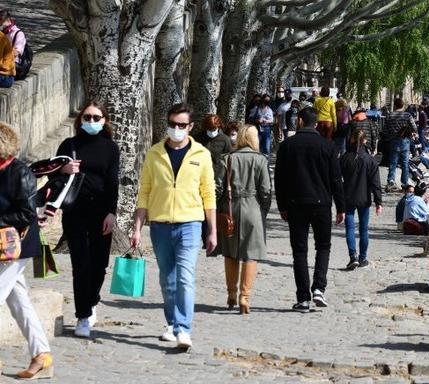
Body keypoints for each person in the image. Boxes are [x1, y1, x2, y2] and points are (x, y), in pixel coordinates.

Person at [131, 103, 217, 350]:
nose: (176, 129)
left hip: (190, 224)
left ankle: (184, 329)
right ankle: (171, 323)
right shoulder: (154, 153)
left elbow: (208, 193)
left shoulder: (201, 155)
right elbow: (144, 192)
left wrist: (211, 230)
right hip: (159, 225)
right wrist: (137, 227)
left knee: (185, 278)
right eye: (172, 124)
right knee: (167, 280)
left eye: (181, 125)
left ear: (190, 127)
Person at [56, 101, 120, 338]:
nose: (91, 122)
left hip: (101, 212)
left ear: (104, 121)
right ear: (80, 120)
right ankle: (83, 315)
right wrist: (63, 170)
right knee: (80, 264)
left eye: (96, 118)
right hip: (74, 211)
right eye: (87, 117)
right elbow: (52, 173)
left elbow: (112, 182)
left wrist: (112, 212)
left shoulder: (110, 148)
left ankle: (92, 299)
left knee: (99, 264)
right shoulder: (69, 144)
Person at [275, 107, 345, 312]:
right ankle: (319, 288)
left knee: (299, 251)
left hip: (296, 204)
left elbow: (280, 179)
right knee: (323, 246)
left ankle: (303, 297)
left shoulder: (287, 146)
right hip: (322, 203)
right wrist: (341, 206)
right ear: (316, 123)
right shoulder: (327, 146)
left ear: (299, 122)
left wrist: (282, 205)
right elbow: (336, 180)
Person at [0, 122, 54, 379]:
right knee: (19, 303)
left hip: (16, 247)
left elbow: (25, 213)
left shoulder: (20, 172)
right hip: (4, 247)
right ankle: (42, 355)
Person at [216, 125, 271, 314]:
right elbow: (265, 189)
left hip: (231, 208)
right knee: (250, 254)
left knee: (230, 253)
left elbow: (218, 187)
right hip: (253, 208)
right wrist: (263, 209)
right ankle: (244, 297)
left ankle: (231, 293)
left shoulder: (228, 158)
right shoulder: (260, 160)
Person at [339, 129, 382, 270]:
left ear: (351, 140)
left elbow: (337, 180)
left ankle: (353, 256)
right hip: (364, 198)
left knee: (350, 229)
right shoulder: (370, 160)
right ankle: (363, 257)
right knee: (364, 230)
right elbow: (375, 183)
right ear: (364, 141)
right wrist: (378, 202)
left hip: (348, 196)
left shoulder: (345, 158)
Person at [382, 97, 418, 192]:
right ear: (403, 105)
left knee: (393, 162)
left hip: (393, 141)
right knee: (405, 163)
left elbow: (385, 130)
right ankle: (404, 183)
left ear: (395, 105)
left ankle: (391, 181)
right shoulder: (407, 115)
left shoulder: (390, 115)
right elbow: (414, 127)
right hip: (405, 141)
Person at [2, 10, 26, 79]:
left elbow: (16, 53)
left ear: (7, 20)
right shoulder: (2, 33)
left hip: (13, 65)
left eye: (1, 21)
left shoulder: (18, 33)